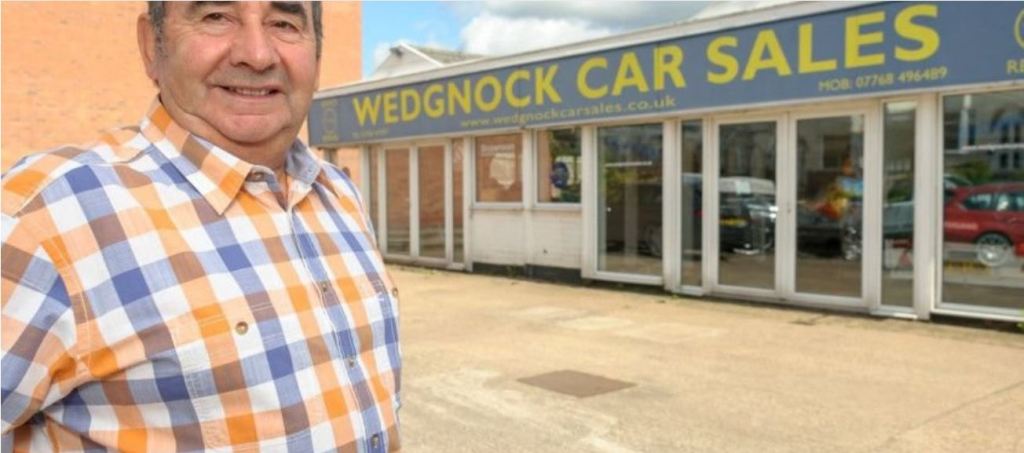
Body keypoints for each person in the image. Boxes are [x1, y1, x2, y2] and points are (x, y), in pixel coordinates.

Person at [1, 2, 400, 451]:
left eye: (284, 23)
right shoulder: (46, 220)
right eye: (216, 17)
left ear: (317, 55)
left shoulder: (340, 196)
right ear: (152, 46)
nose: (257, 54)